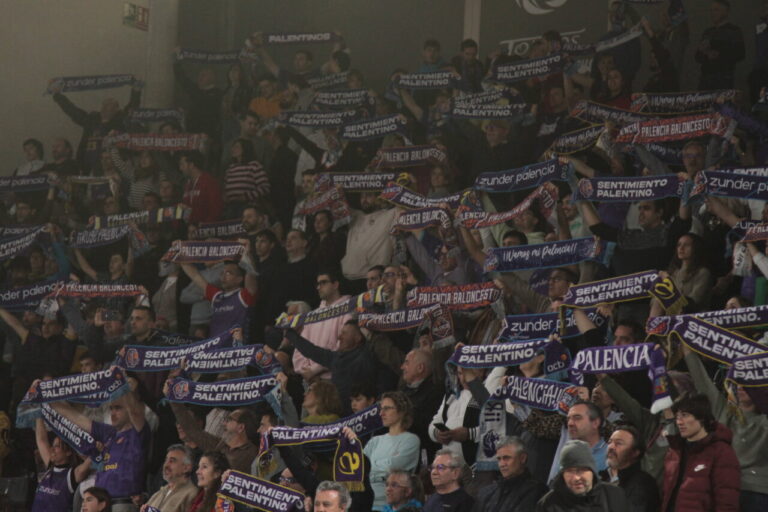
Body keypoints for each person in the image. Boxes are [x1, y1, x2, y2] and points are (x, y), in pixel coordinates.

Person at [683, 346, 767, 511]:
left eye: (748, 382)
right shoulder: (724, 413)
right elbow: (702, 381)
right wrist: (687, 350)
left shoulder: (764, 421)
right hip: (726, 490)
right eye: (738, 382)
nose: (741, 386)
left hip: (760, 494)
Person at [50, 378, 149, 512]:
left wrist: (122, 385)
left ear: (128, 410)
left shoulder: (137, 433)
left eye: (118, 408)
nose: (113, 413)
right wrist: (47, 398)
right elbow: (76, 418)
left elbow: (135, 412)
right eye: (111, 409)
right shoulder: (108, 433)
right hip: (99, 505)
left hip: (122, 504)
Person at [661, 393, 741, 512]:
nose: (679, 422)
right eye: (677, 416)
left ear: (702, 417)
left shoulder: (721, 452)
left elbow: (727, 502)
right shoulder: (675, 451)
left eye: (685, 415)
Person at [180, 251, 257, 341]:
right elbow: (195, 276)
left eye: (228, 273)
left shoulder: (244, 296)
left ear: (239, 279)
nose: (223, 277)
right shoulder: (217, 296)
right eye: (222, 273)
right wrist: (180, 255)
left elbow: (251, 274)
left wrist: (247, 254)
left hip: (235, 347)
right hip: (216, 347)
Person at [364, 392, 421, 511]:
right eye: (381, 409)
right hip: (366, 497)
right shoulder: (375, 441)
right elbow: (361, 468)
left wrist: (372, 466)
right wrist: (383, 465)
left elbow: (394, 468)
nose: (381, 413)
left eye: (387, 408)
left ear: (401, 411)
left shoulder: (411, 440)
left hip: (389, 502)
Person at [537, 439, 629, 512]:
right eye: (569, 471)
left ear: (592, 471)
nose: (576, 478)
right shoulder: (548, 504)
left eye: (581, 470)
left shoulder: (613, 495)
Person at [472, 437, 548, 512]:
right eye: (499, 459)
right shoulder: (486, 492)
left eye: (506, 458)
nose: (502, 464)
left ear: (522, 458)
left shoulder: (537, 492)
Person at [31, 417, 90, 511]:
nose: (52, 449)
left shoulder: (72, 475)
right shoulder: (50, 467)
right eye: (52, 446)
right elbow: (41, 440)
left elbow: (92, 460)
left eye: (57, 446)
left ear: (68, 452)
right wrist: (39, 415)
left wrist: (74, 441)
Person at [601, 426, 660, 512]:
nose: (611, 447)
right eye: (610, 442)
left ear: (635, 453)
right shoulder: (604, 477)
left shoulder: (642, 484)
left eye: (619, 443)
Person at [695, 0, 745, 90]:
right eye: (711, 10)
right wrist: (704, 53)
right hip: (705, 78)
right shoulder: (708, 32)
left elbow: (740, 53)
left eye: (716, 10)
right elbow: (697, 56)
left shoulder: (734, 31)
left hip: (723, 78)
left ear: (726, 11)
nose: (712, 13)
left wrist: (719, 54)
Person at [141, 445, 198, 512]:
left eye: (172, 461)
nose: (166, 465)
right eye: (166, 460)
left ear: (186, 468)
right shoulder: (159, 493)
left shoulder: (192, 494)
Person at [179, 151, 223, 224]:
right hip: (191, 228)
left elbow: (216, 210)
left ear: (191, 165)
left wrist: (204, 227)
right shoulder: (187, 185)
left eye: (182, 164)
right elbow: (189, 213)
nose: (180, 168)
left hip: (206, 228)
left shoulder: (209, 182)